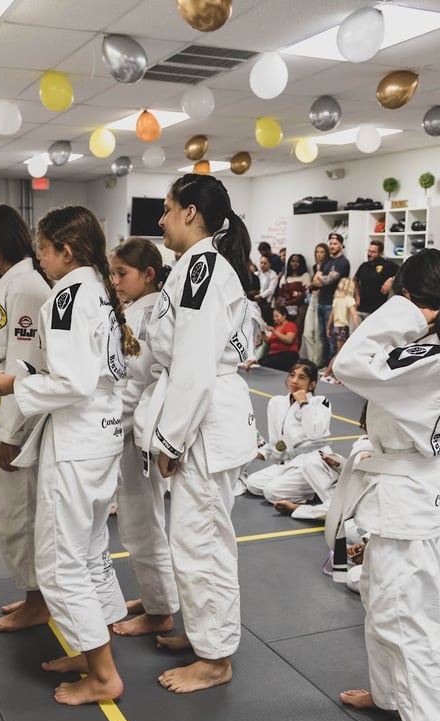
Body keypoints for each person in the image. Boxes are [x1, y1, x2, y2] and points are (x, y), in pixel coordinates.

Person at [0, 205, 133, 706]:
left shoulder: (67, 296)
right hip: (102, 434)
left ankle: (104, 676)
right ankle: (94, 651)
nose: (38, 257)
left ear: (65, 251)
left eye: (43, 248)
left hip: (78, 442)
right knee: (89, 550)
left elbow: (73, 382)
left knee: (61, 561)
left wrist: (12, 384)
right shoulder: (98, 289)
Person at [327, 248, 440, 721]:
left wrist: (401, 310)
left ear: (408, 296)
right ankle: (390, 697)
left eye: (399, 295)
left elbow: (346, 364)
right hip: (408, 490)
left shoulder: (431, 356)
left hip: (406, 498)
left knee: (407, 622)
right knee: (382, 604)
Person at [140, 173, 257, 693]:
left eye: (167, 209)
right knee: (196, 537)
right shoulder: (196, 266)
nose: (161, 219)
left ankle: (215, 659)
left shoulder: (202, 268)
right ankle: (204, 634)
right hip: (206, 416)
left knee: (201, 542)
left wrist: (172, 438)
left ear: (190, 212)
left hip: (203, 423)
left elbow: (194, 363)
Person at [0, 204, 52, 632]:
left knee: (19, 513)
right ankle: (33, 593)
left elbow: (24, 366)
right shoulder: (3, 279)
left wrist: (13, 435)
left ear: (3, 239)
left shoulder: (27, 287)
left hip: (18, 419)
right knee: (11, 513)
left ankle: (39, 600)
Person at [107, 237, 179, 639]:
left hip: (136, 430)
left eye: (123, 273)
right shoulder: (137, 311)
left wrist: (106, 426)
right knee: (142, 520)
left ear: (149, 274)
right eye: (113, 273)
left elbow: (138, 385)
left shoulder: (147, 317)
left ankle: (160, 611)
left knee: (141, 523)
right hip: (130, 427)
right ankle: (156, 598)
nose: (116, 281)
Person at [244, 359, 332, 503]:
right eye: (292, 375)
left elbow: (315, 433)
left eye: (301, 377)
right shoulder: (276, 402)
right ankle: (311, 486)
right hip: (288, 462)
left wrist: (304, 404)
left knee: (271, 492)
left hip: (311, 462)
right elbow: (277, 438)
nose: (294, 381)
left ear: (312, 384)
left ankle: (317, 484)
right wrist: (264, 451)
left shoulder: (320, 402)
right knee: (252, 483)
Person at [310, 233, 351, 365]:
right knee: (322, 336)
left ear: (341, 245)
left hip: (333, 304)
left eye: (335, 244)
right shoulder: (327, 261)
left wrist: (322, 279)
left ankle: (331, 366)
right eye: (331, 243)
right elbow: (315, 281)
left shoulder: (343, 262)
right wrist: (323, 279)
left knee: (332, 339)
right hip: (321, 301)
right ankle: (324, 364)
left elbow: (329, 280)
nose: (332, 246)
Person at [353, 240, 398, 323]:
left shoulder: (387, 265)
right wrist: (357, 296)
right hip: (360, 310)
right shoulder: (364, 266)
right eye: (369, 251)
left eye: (373, 252)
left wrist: (391, 279)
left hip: (376, 311)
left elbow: (403, 273)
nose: (369, 254)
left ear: (380, 253)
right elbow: (355, 279)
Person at [253, 306, 301, 372]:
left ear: (284, 316)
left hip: (287, 354)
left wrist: (274, 331)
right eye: (274, 316)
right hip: (274, 354)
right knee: (258, 362)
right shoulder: (277, 327)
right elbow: (268, 340)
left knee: (265, 364)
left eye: (277, 316)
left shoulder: (290, 325)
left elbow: (289, 340)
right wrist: (262, 332)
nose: (275, 319)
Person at [276, 252, 310, 333]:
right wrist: (283, 303)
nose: (294, 264)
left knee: (297, 328)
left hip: (299, 306)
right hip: (286, 306)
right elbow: (280, 293)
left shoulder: (305, 275)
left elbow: (305, 293)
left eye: (297, 262)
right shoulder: (285, 277)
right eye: (292, 261)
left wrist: (291, 302)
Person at [257, 252, 278, 320]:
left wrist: (260, 296)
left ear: (270, 264)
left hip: (267, 303)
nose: (262, 265)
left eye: (265, 263)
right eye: (261, 263)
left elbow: (271, 290)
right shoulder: (257, 273)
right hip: (256, 301)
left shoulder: (273, 274)